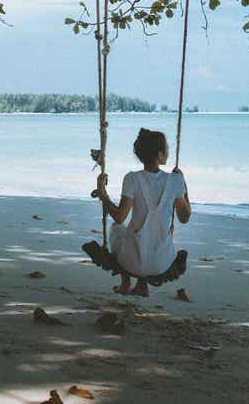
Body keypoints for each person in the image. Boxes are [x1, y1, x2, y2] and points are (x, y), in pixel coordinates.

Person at [82, 127, 191, 297]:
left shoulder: (132, 179)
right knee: (146, 235)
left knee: (118, 229)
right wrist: (184, 187)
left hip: (131, 262)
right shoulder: (175, 180)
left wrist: (103, 195)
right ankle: (141, 286)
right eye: (166, 148)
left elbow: (119, 217)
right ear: (160, 156)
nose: (168, 151)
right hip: (162, 262)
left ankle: (126, 283)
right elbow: (184, 218)